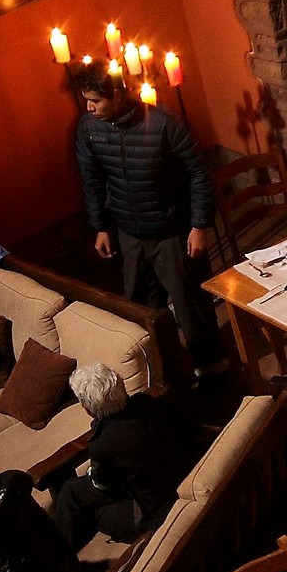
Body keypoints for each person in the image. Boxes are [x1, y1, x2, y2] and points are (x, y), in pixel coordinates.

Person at [72, 64, 218, 376]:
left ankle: (212, 368)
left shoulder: (163, 124)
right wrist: (100, 227)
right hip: (129, 231)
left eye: (95, 101)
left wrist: (199, 224)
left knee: (189, 304)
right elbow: (92, 180)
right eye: (86, 100)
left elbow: (199, 174)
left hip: (171, 231)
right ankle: (164, 370)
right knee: (141, 306)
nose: (88, 108)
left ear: (116, 95)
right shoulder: (89, 129)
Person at [47, 362, 197, 551]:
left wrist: (96, 470)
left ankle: (63, 558)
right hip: (174, 478)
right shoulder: (147, 402)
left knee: (94, 510)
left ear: (87, 409)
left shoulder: (103, 445)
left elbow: (105, 486)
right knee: (72, 489)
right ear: (122, 387)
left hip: (157, 512)